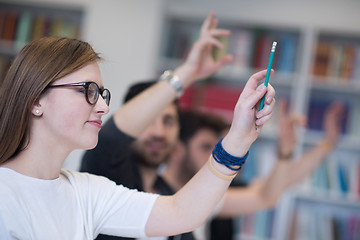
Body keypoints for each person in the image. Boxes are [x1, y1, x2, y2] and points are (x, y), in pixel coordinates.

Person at [0, 11, 276, 240]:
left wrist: (239, 138)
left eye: (102, 94)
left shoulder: (84, 192)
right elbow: (116, 133)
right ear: (36, 100)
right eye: (88, 90)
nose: (103, 107)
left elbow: (181, 213)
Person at [162, 99, 344, 240]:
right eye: (204, 147)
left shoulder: (205, 196)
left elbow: (269, 193)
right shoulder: (151, 194)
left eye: (214, 147)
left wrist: (321, 146)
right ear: (177, 150)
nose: (213, 156)